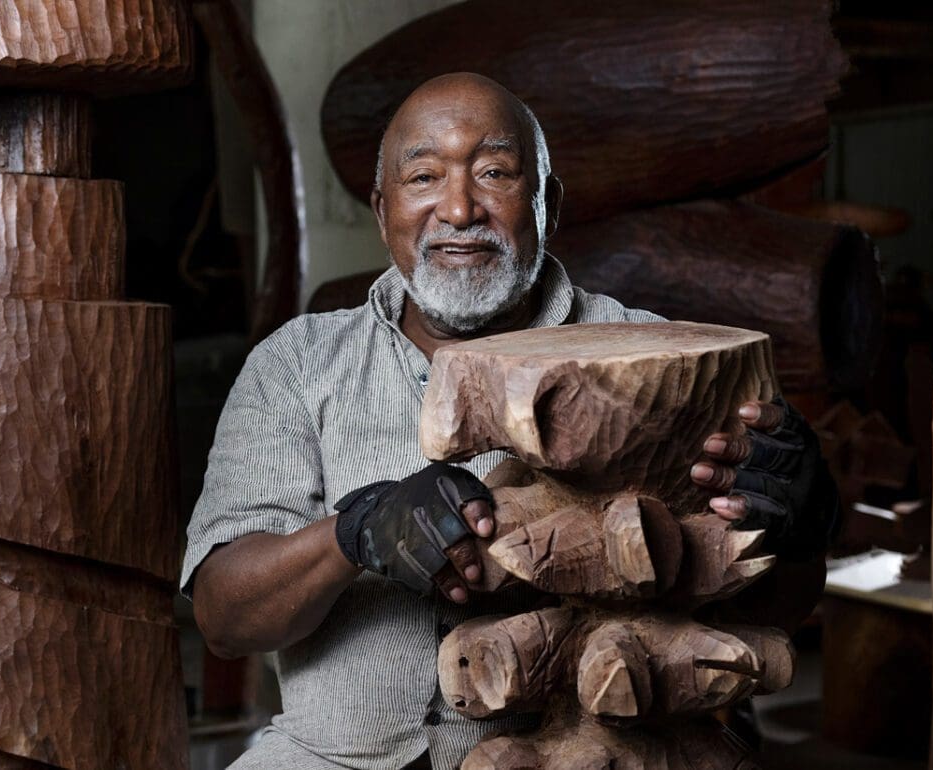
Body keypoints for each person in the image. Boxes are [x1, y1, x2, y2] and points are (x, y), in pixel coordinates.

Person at [182, 72, 836, 770]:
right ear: (383, 210)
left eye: (494, 172)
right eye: (424, 176)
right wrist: (355, 533)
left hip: (595, 755)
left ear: (547, 201)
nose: (460, 209)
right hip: (328, 759)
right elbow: (224, 619)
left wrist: (801, 524)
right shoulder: (297, 365)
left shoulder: (658, 356)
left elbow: (772, 612)